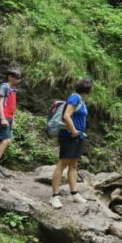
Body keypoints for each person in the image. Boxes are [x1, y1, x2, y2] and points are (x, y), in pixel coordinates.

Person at [50, 77, 93, 209]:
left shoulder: (80, 100)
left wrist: (78, 133)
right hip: (69, 136)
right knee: (62, 164)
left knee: (73, 165)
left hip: (78, 136)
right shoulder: (75, 98)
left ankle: (75, 194)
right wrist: (74, 131)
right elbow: (66, 116)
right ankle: (54, 197)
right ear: (88, 89)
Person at [0, 68, 22, 177]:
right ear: (10, 77)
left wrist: (12, 119)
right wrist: (2, 118)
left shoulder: (13, 89)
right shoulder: (4, 87)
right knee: (6, 140)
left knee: (0, 140)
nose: (19, 80)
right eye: (17, 77)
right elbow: (0, 103)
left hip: (8, 117)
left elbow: (11, 105)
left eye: (20, 77)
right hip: (1, 117)